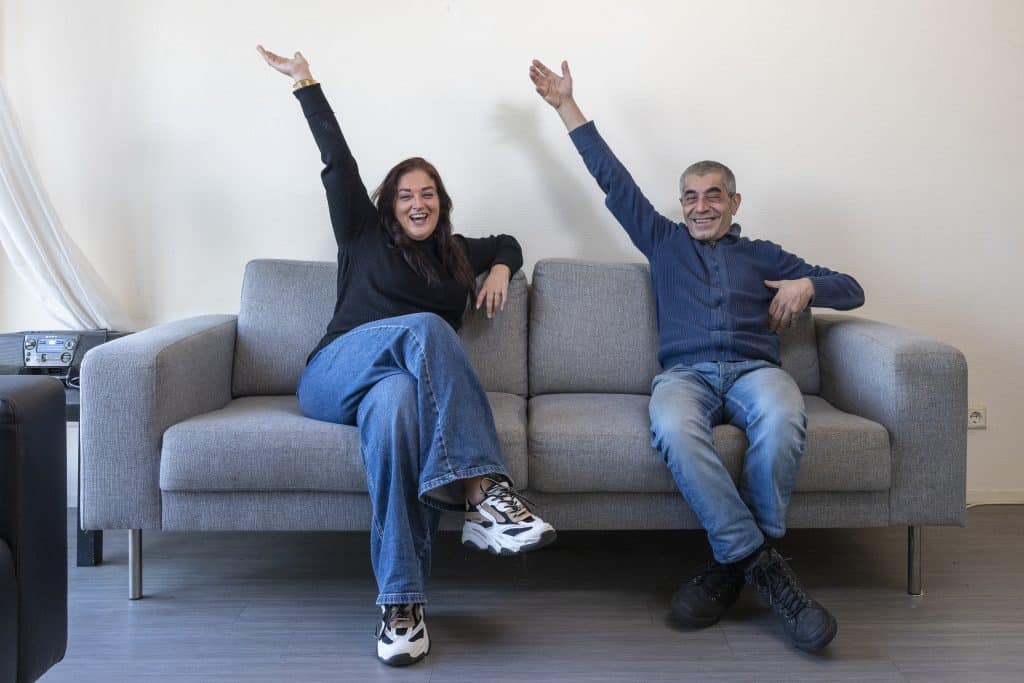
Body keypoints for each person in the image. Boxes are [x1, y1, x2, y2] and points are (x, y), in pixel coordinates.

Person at [529, 58, 864, 654]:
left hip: (756, 372)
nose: (701, 206)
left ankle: (731, 564)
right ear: (680, 204)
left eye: (713, 195)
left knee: (783, 416)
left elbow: (854, 289)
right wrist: (565, 106)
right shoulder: (661, 241)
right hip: (685, 377)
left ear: (734, 201)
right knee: (673, 428)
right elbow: (612, 178)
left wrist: (808, 285)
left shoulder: (763, 255)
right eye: (690, 196)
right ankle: (762, 563)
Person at [257, 45, 556, 667]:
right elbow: (337, 161)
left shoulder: (457, 253)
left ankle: (402, 606)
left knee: (397, 415)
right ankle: (483, 490)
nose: (418, 202)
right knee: (423, 327)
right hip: (334, 373)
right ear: (388, 204)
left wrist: (502, 267)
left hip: (391, 392)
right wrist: (306, 83)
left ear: (442, 202)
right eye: (404, 195)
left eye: (429, 194)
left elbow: (509, 241)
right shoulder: (360, 234)